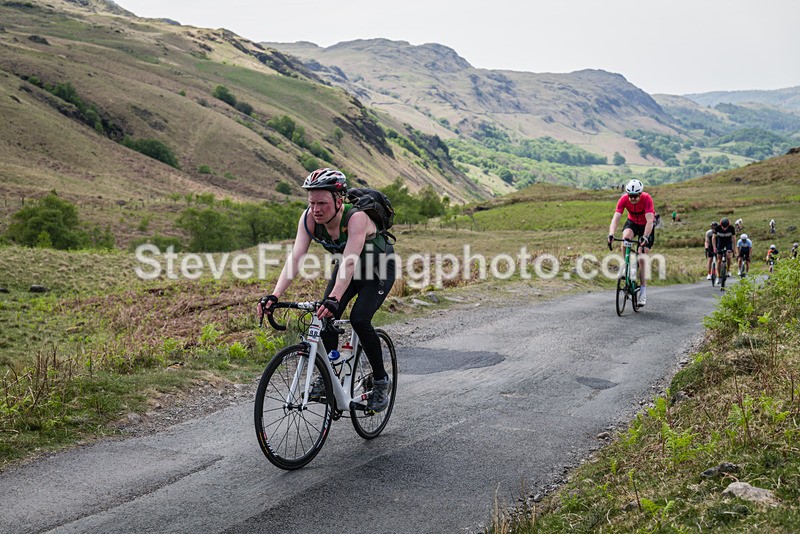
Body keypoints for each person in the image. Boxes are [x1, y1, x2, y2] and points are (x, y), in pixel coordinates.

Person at [256, 168, 396, 413]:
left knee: (359, 319)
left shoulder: (356, 218)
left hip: (378, 270)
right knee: (325, 315)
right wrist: (275, 295)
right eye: (312, 203)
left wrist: (333, 298)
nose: (316, 209)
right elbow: (296, 257)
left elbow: (350, 261)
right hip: (347, 270)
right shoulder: (309, 218)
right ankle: (330, 370)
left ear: (338, 200)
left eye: (322, 203)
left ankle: (381, 380)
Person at [607, 179, 655, 306]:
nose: (632, 199)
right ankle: (627, 266)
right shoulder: (623, 199)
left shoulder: (647, 199)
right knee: (626, 238)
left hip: (646, 226)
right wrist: (611, 234)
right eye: (630, 196)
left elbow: (650, 221)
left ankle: (643, 292)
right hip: (632, 222)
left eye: (635, 196)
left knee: (642, 256)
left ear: (640, 194)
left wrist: (645, 237)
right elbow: (616, 218)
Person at [711, 218, 737, 283]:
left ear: (728, 225)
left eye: (726, 227)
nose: (724, 228)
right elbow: (713, 238)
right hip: (720, 242)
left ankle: (728, 270)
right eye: (723, 227)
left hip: (728, 242)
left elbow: (734, 238)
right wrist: (714, 247)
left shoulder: (731, 228)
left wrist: (734, 248)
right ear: (721, 225)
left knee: (728, 256)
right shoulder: (717, 228)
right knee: (719, 260)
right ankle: (718, 276)